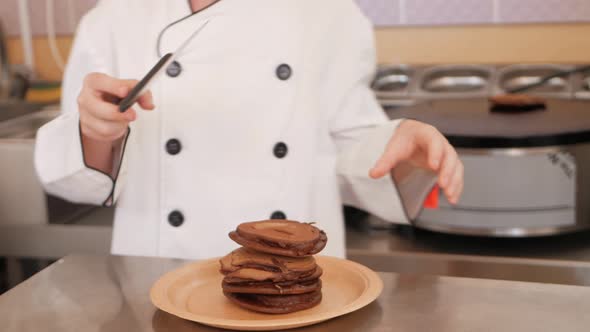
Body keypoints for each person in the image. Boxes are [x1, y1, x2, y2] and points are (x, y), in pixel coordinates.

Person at [34, 0, 463, 259]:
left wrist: (397, 149)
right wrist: (96, 133)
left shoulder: (325, 12)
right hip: (162, 271)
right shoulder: (112, 19)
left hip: (291, 275)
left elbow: (351, 144)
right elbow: (79, 183)